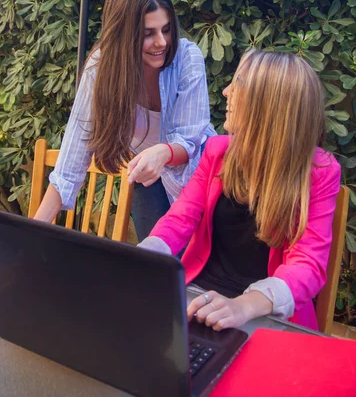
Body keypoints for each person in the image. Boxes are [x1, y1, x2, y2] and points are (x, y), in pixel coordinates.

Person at [139, 50, 341, 330]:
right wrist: (142, 256)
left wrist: (243, 306)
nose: (225, 92)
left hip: (268, 315)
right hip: (198, 299)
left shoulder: (319, 171)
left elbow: (307, 265)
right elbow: (180, 218)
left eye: (238, 84)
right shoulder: (218, 151)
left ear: (265, 104)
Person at [34, 0, 215, 241]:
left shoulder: (187, 58)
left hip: (200, 183)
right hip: (149, 184)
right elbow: (70, 163)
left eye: (166, 29)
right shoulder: (101, 69)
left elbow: (191, 139)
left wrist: (162, 153)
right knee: (154, 271)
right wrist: (31, 233)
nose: (162, 42)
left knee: (196, 276)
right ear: (124, 37)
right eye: (148, 34)